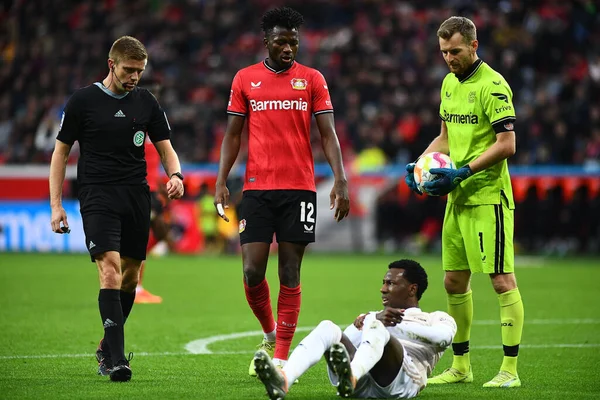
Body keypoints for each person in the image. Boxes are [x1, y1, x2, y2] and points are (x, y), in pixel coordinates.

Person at [214, 6, 350, 376]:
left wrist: (340, 179)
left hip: (299, 188)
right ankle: (271, 333)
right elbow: (232, 135)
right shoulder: (245, 79)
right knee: (251, 271)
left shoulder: (312, 79)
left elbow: (328, 134)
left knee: (290, 271)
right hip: (257, 188)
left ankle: (280, 357)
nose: (289, 47)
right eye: (281, 41)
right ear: (266, 42)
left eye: (294, 41)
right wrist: (221, 179)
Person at [49, 36, 184, 382]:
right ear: (112, 65)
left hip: (135, 195)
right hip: (97, 194)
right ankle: (117, 360)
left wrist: (176, 175)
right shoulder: (83, 101)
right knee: (109, 270)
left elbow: (166, 148)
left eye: (140, 71)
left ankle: (105, 348)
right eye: (129, 70)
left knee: (131, 273)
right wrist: (56, 206)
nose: (135, 77)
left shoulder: (146, 102)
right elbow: (60, 154)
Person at [405, 16, 524, 388]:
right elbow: (444, 136)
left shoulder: (493, 85)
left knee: (502, 281)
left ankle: (510, 371)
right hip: (457, 199)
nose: (449, 58)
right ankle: (461, 366)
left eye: (455, 51)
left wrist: (462, 172)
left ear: (474, 45)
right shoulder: (448, 83)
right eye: (443, 52)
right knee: (454, 281)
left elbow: (508, 145)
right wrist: (420, 163)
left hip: (488, 197)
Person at [254, 259, 456, 399]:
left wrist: (387, 323)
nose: (383, 288)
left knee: (376, 327)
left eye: (391, 283)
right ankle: (284, 379)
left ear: (412, 289)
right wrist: (372, 320)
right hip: (364, 378)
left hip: (401, 384)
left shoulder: (435, 318)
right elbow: (344, 345)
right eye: (383, 283)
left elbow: (443, 339)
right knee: (327, 328)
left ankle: (351, 376)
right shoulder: (373, 316)